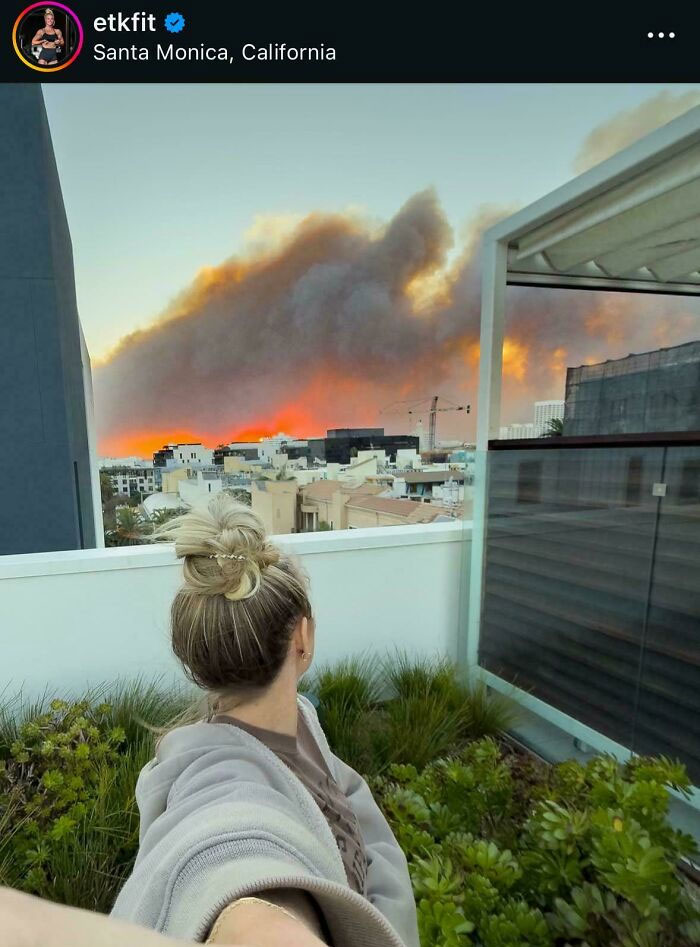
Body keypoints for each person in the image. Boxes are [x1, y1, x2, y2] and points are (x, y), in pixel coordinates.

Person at [0, 495, 419, 947]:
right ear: (302, 637)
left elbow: (343, 797)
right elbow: (235, 862)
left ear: (194, 656)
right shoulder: (218, 788)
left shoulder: (302, 721)